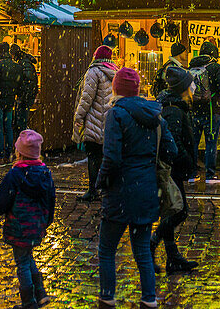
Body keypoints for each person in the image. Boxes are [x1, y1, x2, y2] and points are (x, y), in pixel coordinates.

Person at [96, 67, 175, 308]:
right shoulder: (155, 115)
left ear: (115, 88)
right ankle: (149, 299)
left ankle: (107, 297)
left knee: (107, 248)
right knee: (142, 250)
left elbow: (111, 158)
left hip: (120, 192)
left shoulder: (115, 114)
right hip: (147, 189)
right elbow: (172, 151)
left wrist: (100, 183)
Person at [0, 129, 55, 309]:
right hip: (37, 226)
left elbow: (1, 199)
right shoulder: (45, 174)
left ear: (20, 153)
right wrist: (46, 221)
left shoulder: (15, 175)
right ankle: (40, 293)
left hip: (19, 226)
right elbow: (51, 200)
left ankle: (28, 302)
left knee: (22, 262)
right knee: (28, 257)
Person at [152, 65, 199, 274]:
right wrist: (187, 160)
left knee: (173, 210)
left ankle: (173, 257)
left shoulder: (175, 105)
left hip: (174, 169)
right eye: (191, 85)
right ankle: (152, 244)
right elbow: (174, 143)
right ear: (183, 87)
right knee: (179, 210)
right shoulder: (173, 109)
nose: (194, 88)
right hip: (173, 170)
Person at [73, 44, 117, 202]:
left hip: (94, 121)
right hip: (109, 122)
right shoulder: (115, 72)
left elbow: (86, 98)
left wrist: (78, 117)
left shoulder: (93, 72)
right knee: (105, 157)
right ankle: (105, 189)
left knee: (93, 157)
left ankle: (92, 190)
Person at [187, 41, 220, 185]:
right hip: (212, 110)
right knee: (211, 143)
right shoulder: (215, 67)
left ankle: (192, 174)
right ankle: (210, 175)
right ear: (214, 53)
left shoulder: (192, 66)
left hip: (194, 111)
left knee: (193, 143)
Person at [14, 45, 39, 135]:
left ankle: (22, 142)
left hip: (25, 97)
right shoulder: (26, 63)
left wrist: (22, 94)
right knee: (22, 121)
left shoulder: (23, 64)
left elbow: (28, 81)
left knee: (21, 121)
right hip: (27, 96)